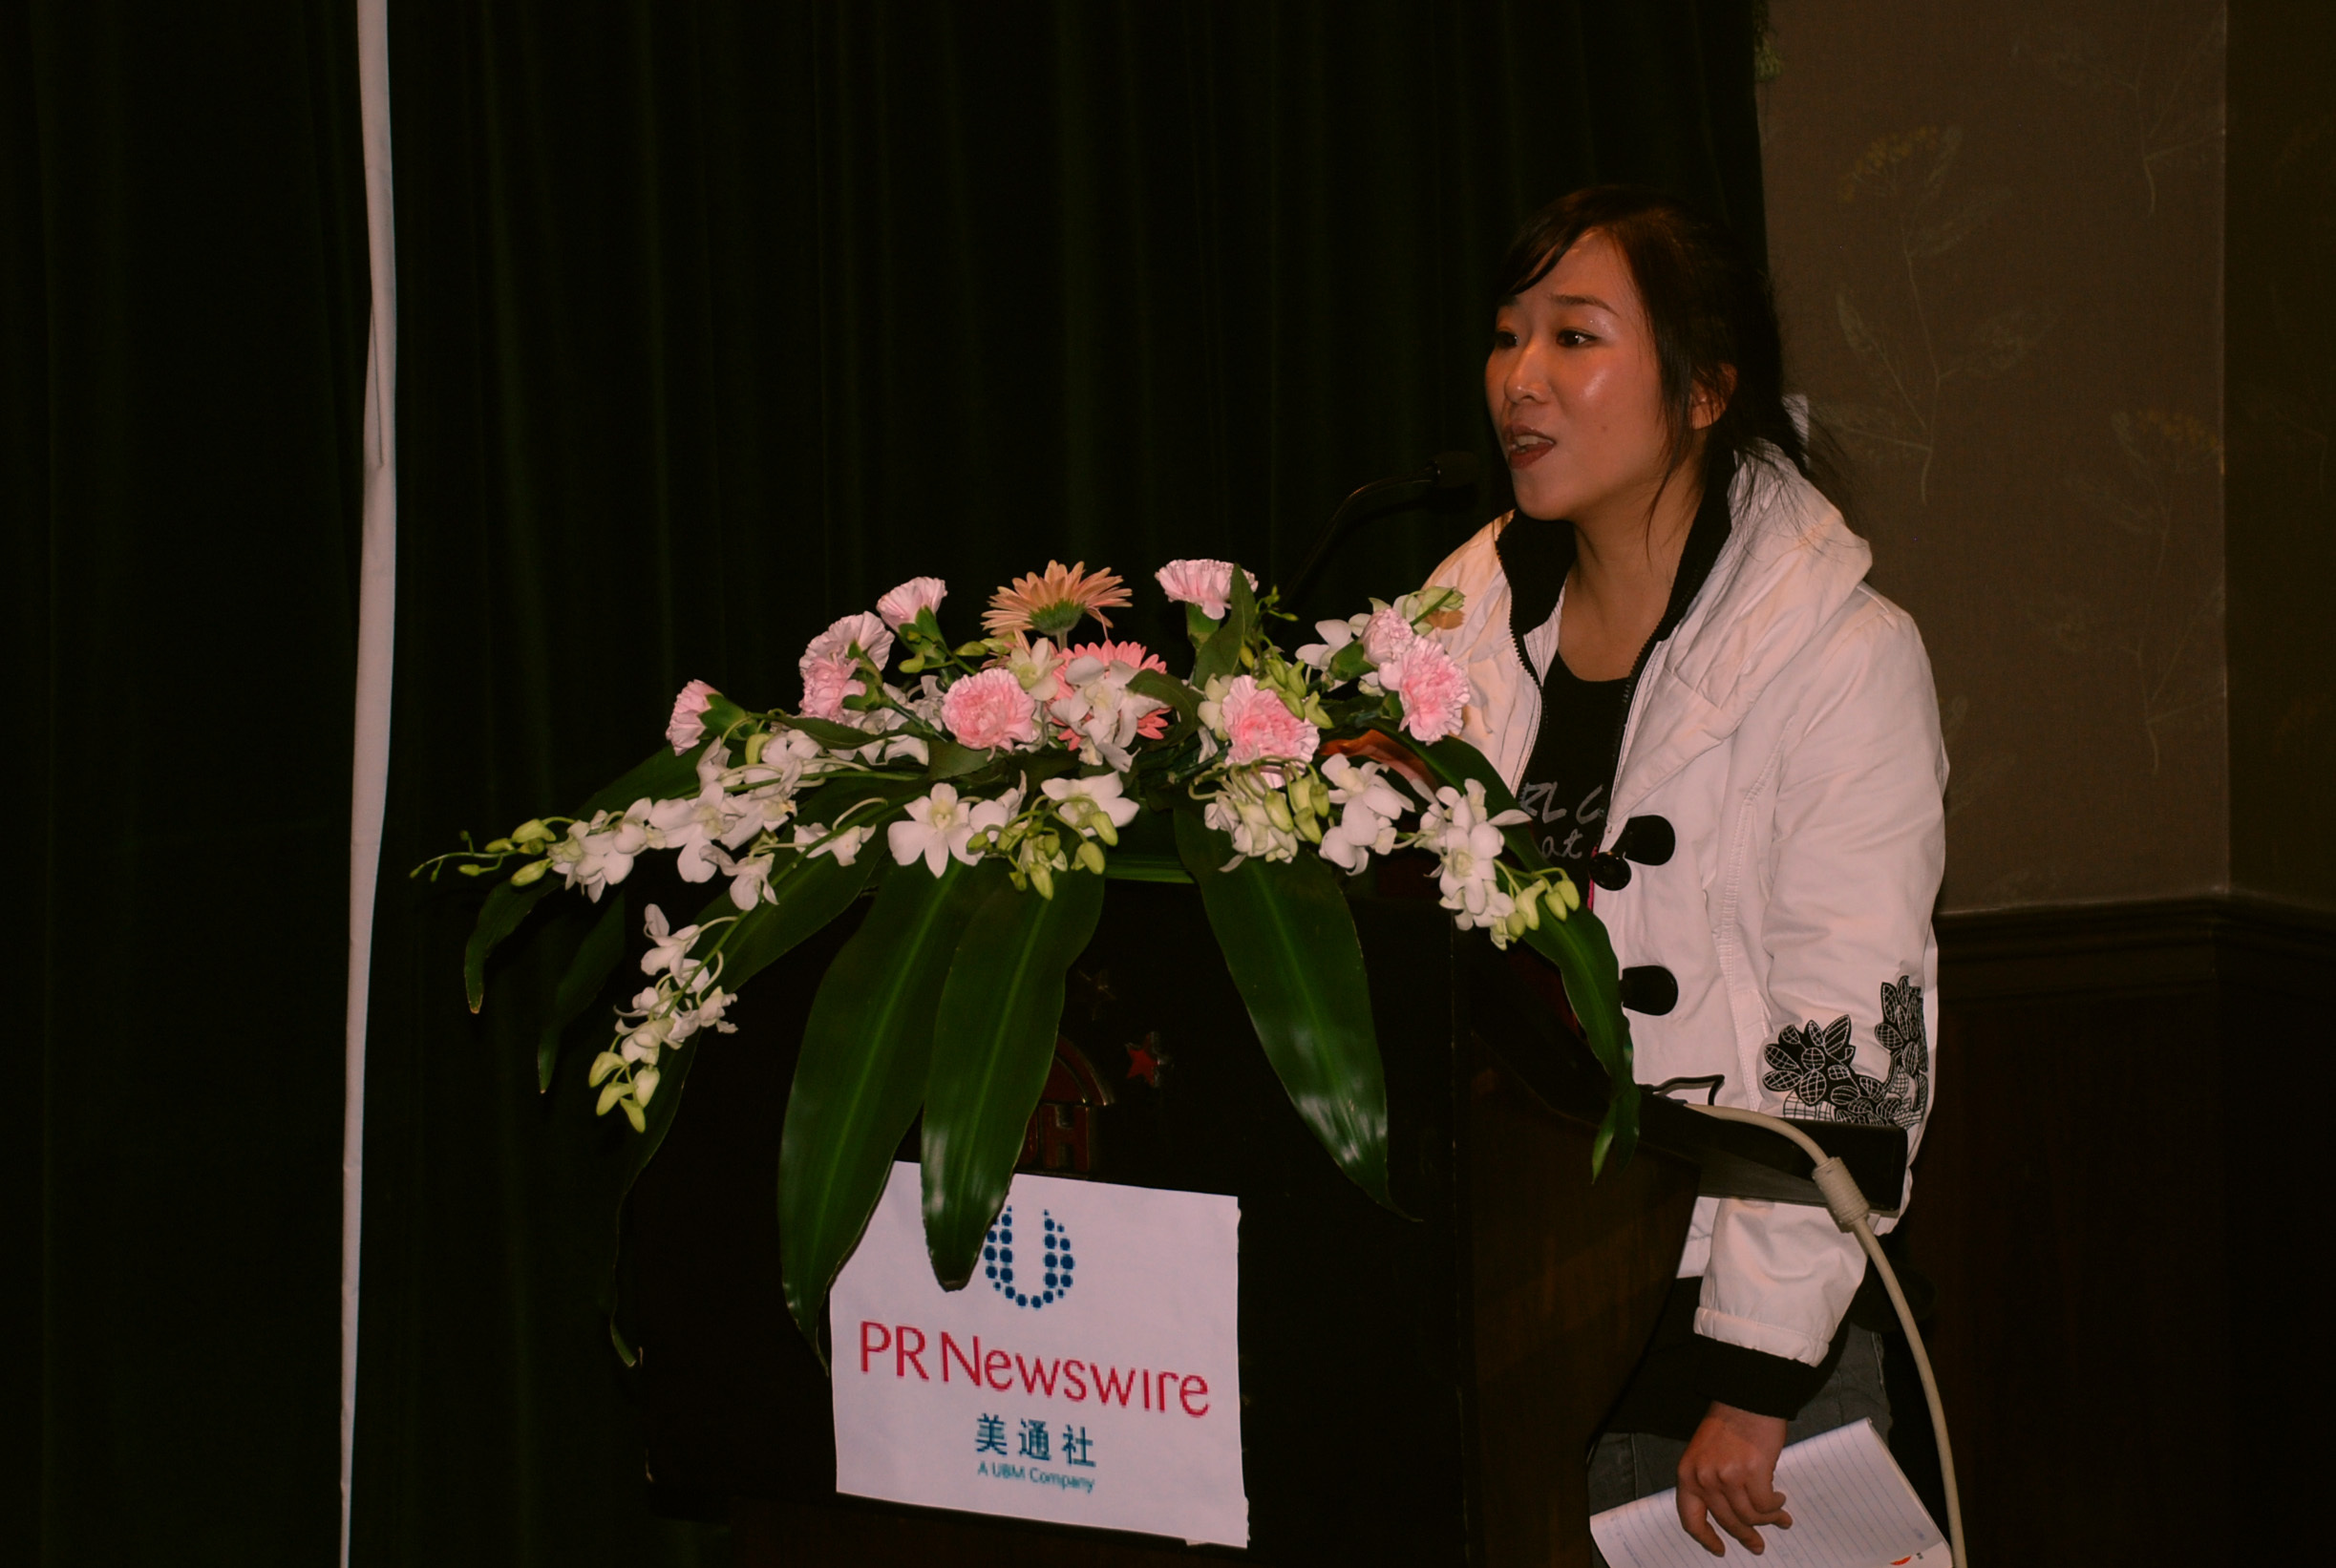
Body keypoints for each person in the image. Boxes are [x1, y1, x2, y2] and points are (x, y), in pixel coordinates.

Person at [1420, 186, 1946, 1558]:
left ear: (1704, 390)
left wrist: (1758, 1379)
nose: (1519, 380)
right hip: (1505, 1308)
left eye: (1574, 336)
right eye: (1505, 335)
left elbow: (1848, 1031)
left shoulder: (1841, 657)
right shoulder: (1451, 629)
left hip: (1727, 1322)